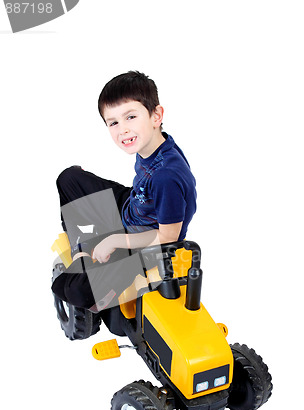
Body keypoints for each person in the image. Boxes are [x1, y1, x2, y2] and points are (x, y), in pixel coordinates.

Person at [52, 71, 197, 312]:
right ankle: (84, 250)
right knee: (69, 179)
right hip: (134, 205)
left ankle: (89, 263)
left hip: (149, 248)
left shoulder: (165, 177)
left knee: (71, 288)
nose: (123, 130)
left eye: (131, 117)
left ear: (156, 115)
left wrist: (115, 240)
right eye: (114, 122)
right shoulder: (155, 144)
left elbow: (169, 237)